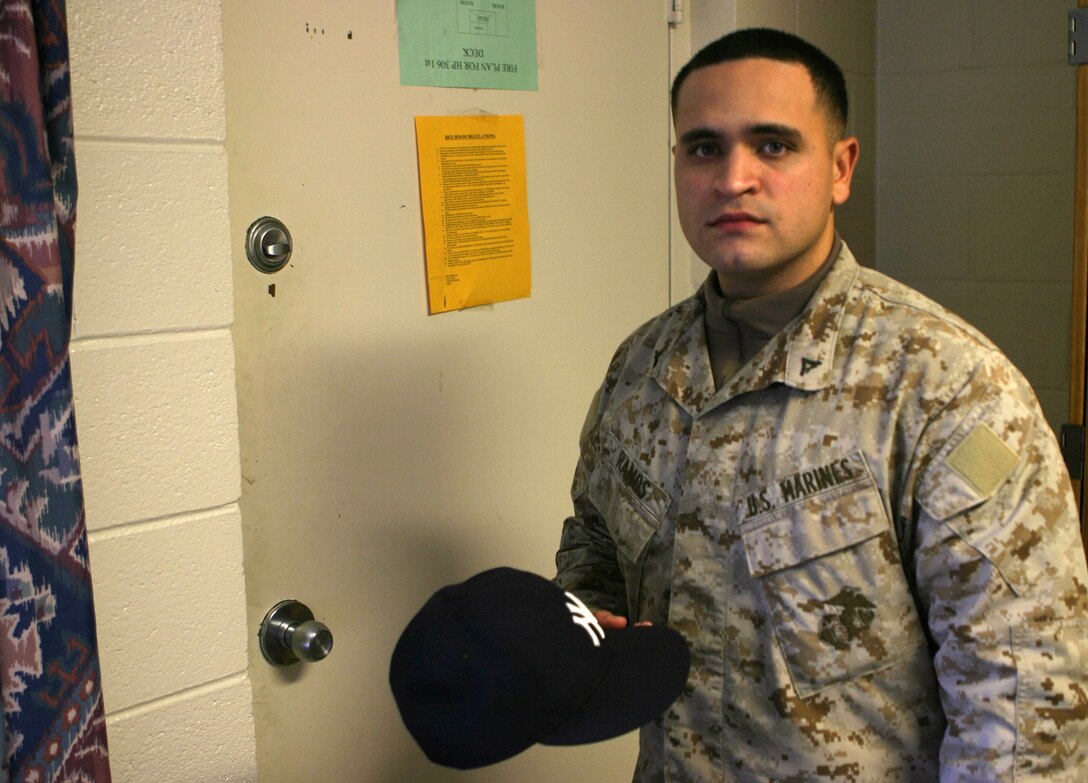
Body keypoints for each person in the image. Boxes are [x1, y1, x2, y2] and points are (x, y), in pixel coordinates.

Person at [554, 27, 1088, 782]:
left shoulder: (946, 387)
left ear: (840, 168)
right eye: (703, 148)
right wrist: (564, 634)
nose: (733, 177)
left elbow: (1024, 706)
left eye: (773, 146)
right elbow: (595, 552)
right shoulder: (642, 369)